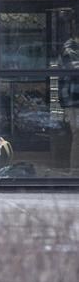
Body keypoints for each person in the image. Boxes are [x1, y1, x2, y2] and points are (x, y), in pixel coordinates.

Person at [60, 22, 79, 171]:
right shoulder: (69, 48)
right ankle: (75, 170)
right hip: (73, 99)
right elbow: (74, 67)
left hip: (74, 97)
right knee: (77, 133)